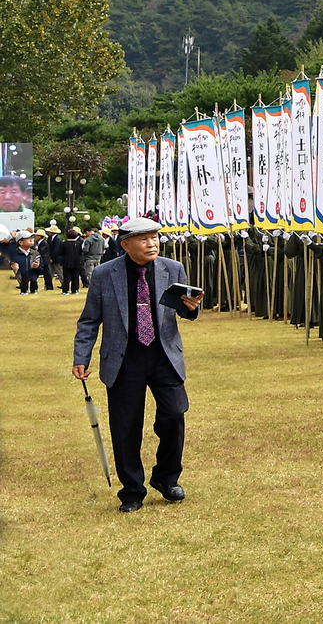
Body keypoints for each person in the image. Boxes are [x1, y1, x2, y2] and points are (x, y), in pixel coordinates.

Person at [71, 215, 202, 512]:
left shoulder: (172, 268)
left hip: (164, 355)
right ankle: (132, 490)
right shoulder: (105, 274)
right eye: (144, 239)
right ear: (126, 244)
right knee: (126, 426)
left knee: (174, 415)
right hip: (124, 358)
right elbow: (89, 320)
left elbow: (184, 309)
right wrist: (81, 357)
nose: (152, 243)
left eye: (155, 238)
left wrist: (192, 308)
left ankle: (166, 478)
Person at [59, 227, 85, 294]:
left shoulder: (64, 243)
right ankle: (75, 290)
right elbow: (80, 253)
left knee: (66, 277)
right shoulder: (79, 244)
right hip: (76, 262)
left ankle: (66, 290)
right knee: (75, 276)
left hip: (66, 262)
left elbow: (60, 252)